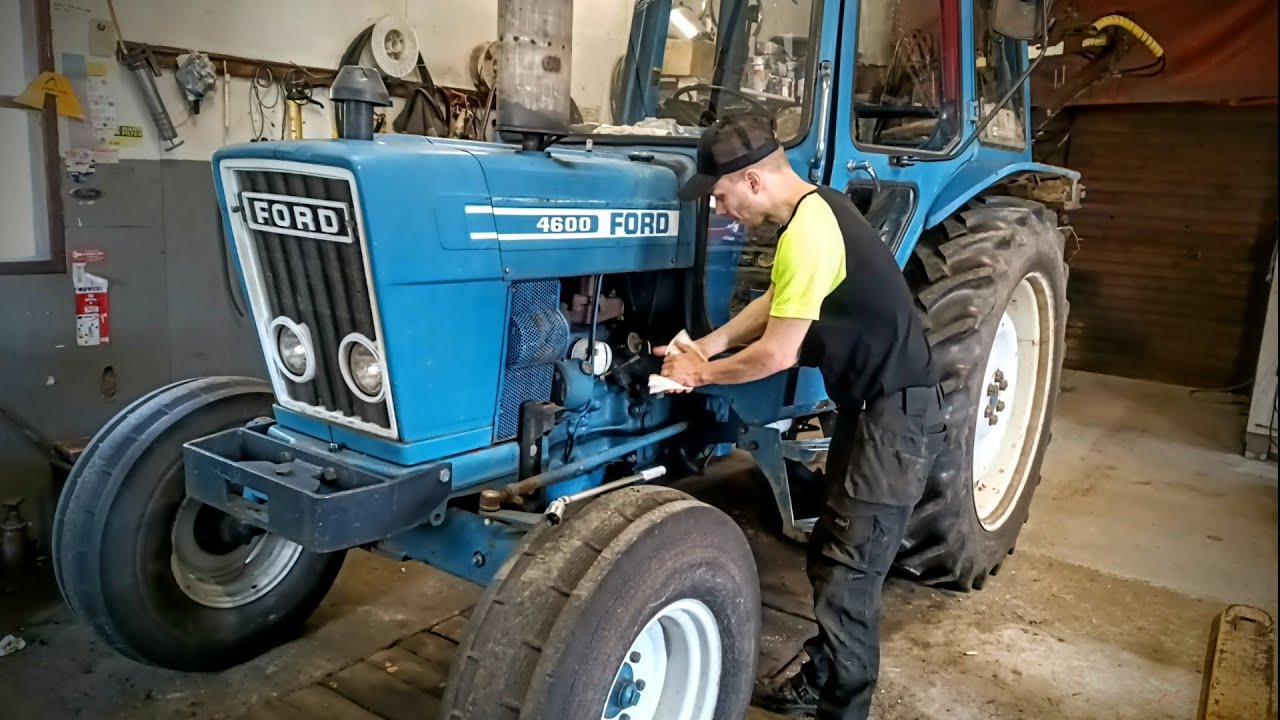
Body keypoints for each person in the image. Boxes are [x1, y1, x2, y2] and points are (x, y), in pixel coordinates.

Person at [658, 114, 947, 720]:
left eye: (721, 195)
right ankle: (822, 679)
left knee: (849, 578)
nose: (720, 208)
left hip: (895, 420)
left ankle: (844, 709)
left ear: (752, 180)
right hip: (871, 411)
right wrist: (708, 345)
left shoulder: (810, 233)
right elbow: (779, 300)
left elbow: (777, 354)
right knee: (832, 554)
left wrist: (699, 375)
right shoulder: (818, 210)